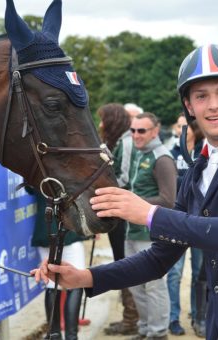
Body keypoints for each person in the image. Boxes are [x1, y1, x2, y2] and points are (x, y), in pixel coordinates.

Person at [32, 44, 218, 339]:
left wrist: (147, 213)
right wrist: (88, 277)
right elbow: (159, 258)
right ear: (189, 106)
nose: (213, 105)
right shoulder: (197, 171)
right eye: (201, 96)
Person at [109, 111, 178, 339]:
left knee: (154, 286)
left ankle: (158, 333)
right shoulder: (138, 153)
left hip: (151, 234)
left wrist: (131, 202)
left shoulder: (162, 158)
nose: (136, 135)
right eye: (133, 130)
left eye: (142, 131)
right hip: (131, 231)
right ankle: (145, 329)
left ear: (155, 131)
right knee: (136, 284)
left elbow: (168, 201)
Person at [96, 103, 140, 335]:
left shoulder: (126, 141)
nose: (100, 124)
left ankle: (132, 319)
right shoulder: (116, 141)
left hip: (124, 214)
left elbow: (125, 179)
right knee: (121, 262)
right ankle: (129, 316)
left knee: (125, 263)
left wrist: (102, 190)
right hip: (117, 213)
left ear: (113, 121)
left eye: (104, 120)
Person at [28, 191, 86, 340]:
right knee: (74, 284)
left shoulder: (36, 172)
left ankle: (55, 336)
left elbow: (29, 188)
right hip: (66, 228)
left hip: (47, 228)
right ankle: (70, 336)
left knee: (52, 285)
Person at [167, 119, 205, 336]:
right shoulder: (171, 152)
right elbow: (171, 182)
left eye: (186, 125)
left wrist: (181, 179)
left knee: (199, 271)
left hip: (199, 220)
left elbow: (201, 182)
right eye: (178, 124)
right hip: (176, 219)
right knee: (174, 272)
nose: (181, 128)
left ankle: (197, 313)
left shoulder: (205, 151)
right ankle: (173, 317)